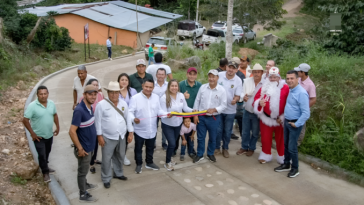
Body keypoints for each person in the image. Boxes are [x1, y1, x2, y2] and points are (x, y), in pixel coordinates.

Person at [127, 79, 171, 174]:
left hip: (152, 128)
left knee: (150, 147)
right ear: (143, 86)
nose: (148, 89)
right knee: (138, 148)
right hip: (139, 130)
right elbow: (130, 112)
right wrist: (134, 119)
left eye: (150, 87)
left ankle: (149, 162)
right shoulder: (135, 98)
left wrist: (167, 114)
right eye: (146, 87)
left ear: (153, 88)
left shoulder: (155, 97)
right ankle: (139, 164)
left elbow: (159, 111)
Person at [274, 70, 310, 178]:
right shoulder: (291, 90)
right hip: (287, 121)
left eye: (292, 78)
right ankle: (286, 164)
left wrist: (297, 123)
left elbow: (306, 113)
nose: (289, 80)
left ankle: (295, 168)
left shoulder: (301, 93)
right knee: (286, 144)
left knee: (292, 147)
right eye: (288, 78)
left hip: (294, 123)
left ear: (297, 79)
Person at [95, 81, 129, 189]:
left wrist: (131, 132)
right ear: (108, 92)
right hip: (108, 136)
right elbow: (98, 122)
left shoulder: (123, 103)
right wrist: (99, 136)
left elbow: (128, 118)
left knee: (120, 155)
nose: (114, 95)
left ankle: (118, 173)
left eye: (116, 92)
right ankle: (106, 178)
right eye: (111, 92)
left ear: (119, 92)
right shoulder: (101, 105)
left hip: (121, 135)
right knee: (106, 158)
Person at [23, 86, 59, 183]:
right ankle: (45, 173)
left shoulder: (51, 103)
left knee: (47, 152)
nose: (43, 96)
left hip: (49, 134)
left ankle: (45, 166)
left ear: (48, 94)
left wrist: (58, 127)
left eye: (45, 93)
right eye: (41, 94)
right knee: (42, 155)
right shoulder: (32, 106)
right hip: (38, 137)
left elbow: (55, 114)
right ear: (37, 95)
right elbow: (25, 120)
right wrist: (33, 134)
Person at [69, 85, 98, 203]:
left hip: (90, 146)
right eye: (90, 94)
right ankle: (82, 194)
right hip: (84, 149)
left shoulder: (89, 107)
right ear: (84, 95)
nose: (93, 96)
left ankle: (85, 184)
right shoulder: (79, 110)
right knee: (82, 171)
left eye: (94, 94)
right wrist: (80, 148)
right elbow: (71, 131)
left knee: (85, 169)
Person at [253, 67, 289, 164]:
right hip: (266, 118)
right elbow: (255, 100)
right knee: (265, 138)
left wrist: (283, 117)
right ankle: (266, 154)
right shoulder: (264, 87)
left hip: (280, 119)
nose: (272, 79)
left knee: (281, 139)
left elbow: (290, 103)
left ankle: (282, 156)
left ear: (279, 77)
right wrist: (259, 103)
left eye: (275, 77)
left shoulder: (285, 88)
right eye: (271, 77)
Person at [193, 69, 227, 163]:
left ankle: (210, 153)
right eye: (210, 76)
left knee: (213, 137)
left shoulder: (222, 90)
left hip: (214, 118)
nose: (211, 79)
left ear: (217, 78)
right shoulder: (203, 87)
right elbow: (197, 101)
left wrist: (215, 109)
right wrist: (195, 115)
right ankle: (200, 154)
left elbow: (224, 105)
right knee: (201, 137)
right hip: (202, 117)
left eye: (213, 77)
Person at [160, 79, 193, 171]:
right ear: (169, 87)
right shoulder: (164, 97)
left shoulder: (181, 95)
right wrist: (168, 114)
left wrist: (193, 110)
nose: (174, 88)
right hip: (167, 124)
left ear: (178, 87)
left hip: (178, 124)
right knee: (172, 143)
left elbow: (185, 108)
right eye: (172, 86)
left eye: (176, 86)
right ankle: (167, 162)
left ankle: (170, 158)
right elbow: (162, 112)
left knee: (173, 144)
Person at [215, 61, 243, 158]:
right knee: (218, 130)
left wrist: (235, 99)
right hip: (219, 109)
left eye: (233, 68)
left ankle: (225, 148)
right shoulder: (219, 75)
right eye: (229, 67)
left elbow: (238, 95)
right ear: (226, 67)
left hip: (230, 110)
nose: (230, 70)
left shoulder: (238, 80)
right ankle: (217, 147)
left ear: (236, 70)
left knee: (227, 131)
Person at [236, 63, 265, 157]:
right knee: (245, 131)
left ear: (261, 73)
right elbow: (241, 92)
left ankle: (252, 148)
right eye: (255, 72)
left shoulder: (265, 84)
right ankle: (244, 147)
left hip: (258, 112)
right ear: (252, 73)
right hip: (247, 110)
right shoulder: (247, 81)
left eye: (258, 72)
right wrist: (242, 96)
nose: (256, 74)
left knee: (255, 132)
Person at [79, 79, 104, 174]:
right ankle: (90, 163)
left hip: (98, 122)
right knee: (89, 143)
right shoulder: (83, 98)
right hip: (88, 123)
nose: (95, 87)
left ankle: (94, 159)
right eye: (93, 85)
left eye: (97, 85)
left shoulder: (100, 95)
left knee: (96, 142)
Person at [118, 73, 137, 166]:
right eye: (122, 80)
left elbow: (136, 104)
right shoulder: (115, 91)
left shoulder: (133, 91)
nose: (124, 82)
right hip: (118, 120)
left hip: (129, 119)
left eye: (126, 80)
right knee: (118, 138)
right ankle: (116, 156)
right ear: (119, 81)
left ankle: (123, 156)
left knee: (125, 139)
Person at [294, 63, 316, 146]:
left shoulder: (310, 85)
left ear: (303, 72)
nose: (297, 72)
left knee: (300, 128)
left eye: (298, 71)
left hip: (302, 111)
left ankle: (297, 144)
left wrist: (304, 108)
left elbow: (313, 99)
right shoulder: (298, 80)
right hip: (294, 109)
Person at [152, 68, 169, 150]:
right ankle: (153, 143)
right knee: (154, 126)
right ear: (156, 75)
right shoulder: (152, 85)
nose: (161, 76)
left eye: (162, 74)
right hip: (154, 110)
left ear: (165, 76)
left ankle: (164, 143)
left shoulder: (168, 85)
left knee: (164, 127)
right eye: (159, 74)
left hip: (165, 109)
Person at [231, 57, 246, 140]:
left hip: (239, 101)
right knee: (237, 120)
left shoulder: (240, 75)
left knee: (238, 119)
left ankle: (234, 134)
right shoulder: (241, 74)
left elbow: (242, 88)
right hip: (234, 101)